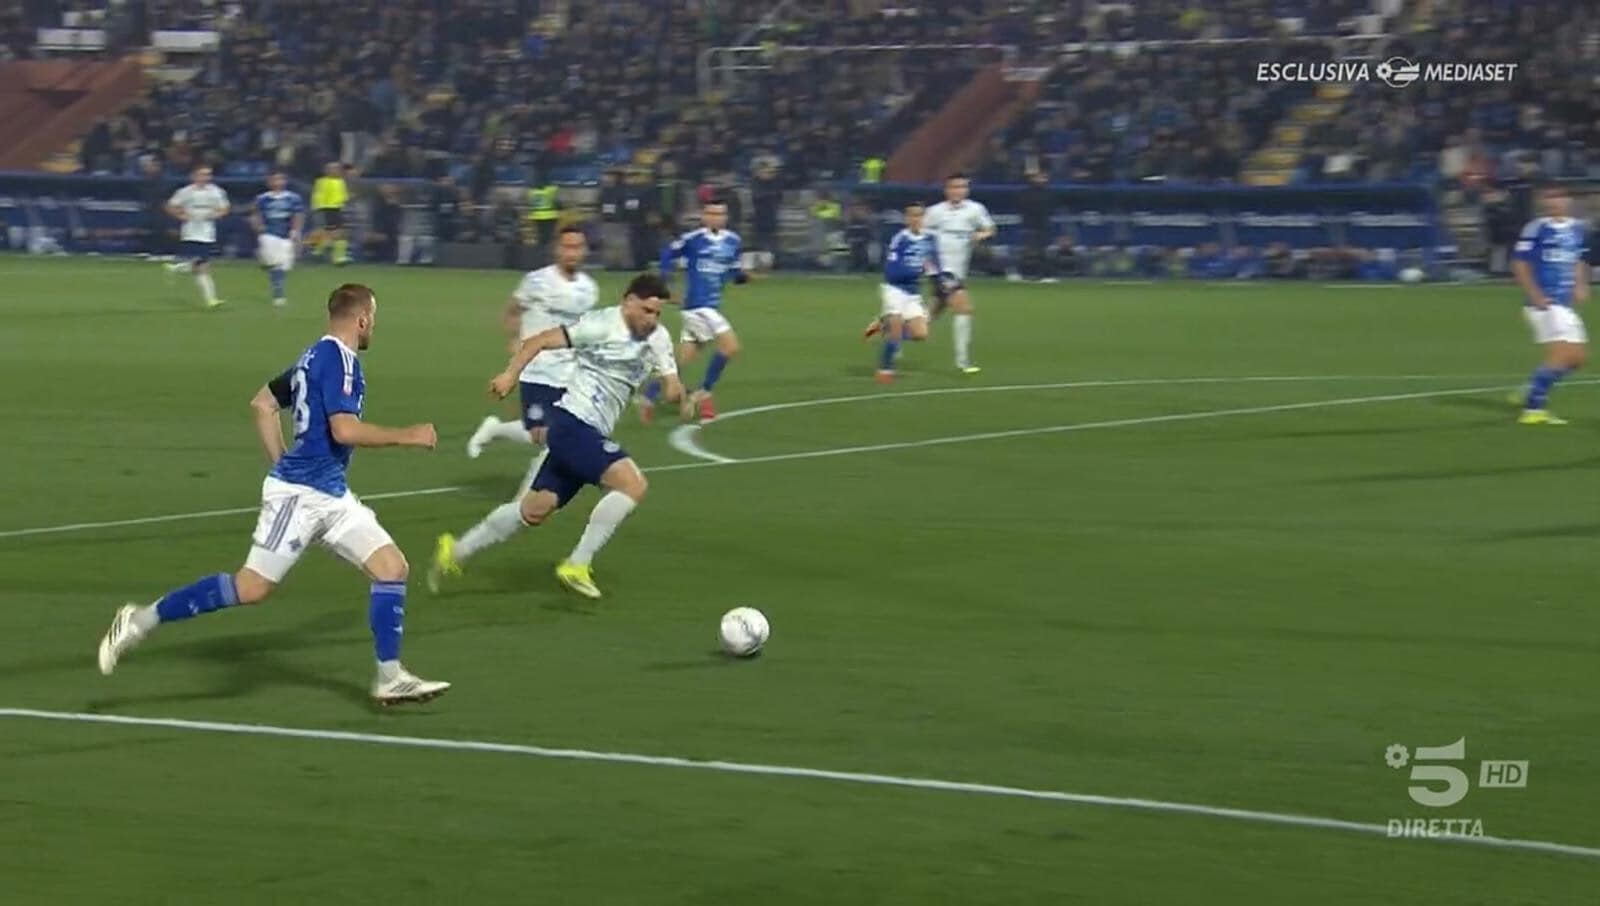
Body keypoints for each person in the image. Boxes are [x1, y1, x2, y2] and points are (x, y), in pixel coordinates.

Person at [96, 284, 449, 705]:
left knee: (391, 567)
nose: (374, 326)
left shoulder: (312, 357)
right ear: (362, 319)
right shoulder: (340, 360)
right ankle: (139, 619)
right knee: (251, 588)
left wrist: (281, 461)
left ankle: (389, 677)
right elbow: (344, 430)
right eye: (373, 318)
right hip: (301, 497)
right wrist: (409, 435)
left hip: (330, 495)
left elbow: (263, 404)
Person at [430, 274, 682, 600]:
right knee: (632, 485)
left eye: (658, 313)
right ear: (629, 302)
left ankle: (456, 551)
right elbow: (538, 341)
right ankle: (578, 564)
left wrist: (675, 394)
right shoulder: (600, 325)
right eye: (647, 310)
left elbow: (672, 383)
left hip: (589, 431)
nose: (652, 319)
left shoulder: (658, 337)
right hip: (573, 423)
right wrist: (509, 375)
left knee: (534, 509)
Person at [466, 225, 599, 462]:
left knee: (564, 433)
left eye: (577, 247)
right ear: (557, 249)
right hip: (538, 369)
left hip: (572, 371)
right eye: (567, 247)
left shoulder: (589, 289)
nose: (572, 253)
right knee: (542, 435)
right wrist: (515, 338)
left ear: (585, 250)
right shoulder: (537, 281)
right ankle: (497, 434)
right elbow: (512, 311)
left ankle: (497, 431)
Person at [642, 199, 747, 423]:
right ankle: (703, 393)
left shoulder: (733, 241)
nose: (716, 218)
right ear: (704, 216)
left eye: (720, 214)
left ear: (726, 217)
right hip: (698, 306)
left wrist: (744, 277)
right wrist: (666, 285)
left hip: (710, 305)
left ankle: (650, 394)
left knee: (684, 357)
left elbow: (734, 272)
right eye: (712, 213)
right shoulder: (693, 239)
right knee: (730, 347)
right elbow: (667, 254)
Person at [1511, 183, 1590, 425]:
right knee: (1562, 355)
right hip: (1545, 303)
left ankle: (1532, 387)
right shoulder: (1536, 228)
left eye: (1559, 197)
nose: (1554, 202)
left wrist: (1580, 284)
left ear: (1568, 201)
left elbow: (1578, 259)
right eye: (1549, 197)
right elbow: (1519, 263)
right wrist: (1534, 294)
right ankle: (1533, 409)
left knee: (1577, 359)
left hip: (1564, 304)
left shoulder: (1578, 228)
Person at [923, 173, 995, 373]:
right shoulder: (935, 212)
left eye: (962, 187)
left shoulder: (975, 209)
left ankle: (894, 338)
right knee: (964, 309)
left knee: (929, 317)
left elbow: (990, 228)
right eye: (954, 187)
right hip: (940, 270)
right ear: (946, 190)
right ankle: (963, 362)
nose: (958, 191)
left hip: (959, 271)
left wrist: (981, 234)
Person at [872, 202, 938, 383]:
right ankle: (885, 370)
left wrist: (937, 278)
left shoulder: (930, 239)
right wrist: (915, 271)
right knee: (896, 332)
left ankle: (885, 325)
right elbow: (891, 271)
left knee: (920, 334)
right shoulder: (900, 238)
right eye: (912, 215)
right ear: (907, 218)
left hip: (913, 293)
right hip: (895, 290)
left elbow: (933, 264)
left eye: (919, 215)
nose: (916, 219)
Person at [164, 165, 230, 309]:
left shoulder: (216, 191)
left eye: (208, 174)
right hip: (190, 232)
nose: (206, 177)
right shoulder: (185, 192)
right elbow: (170, 206)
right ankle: (211, 300)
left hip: (207, 232)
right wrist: (180, 216)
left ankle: (176, 269)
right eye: (202, 174)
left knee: (199, 266)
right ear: (194, 176)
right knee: (203, 265)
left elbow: (225, 208)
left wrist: (216, 215)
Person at [251, 171, 305, 307]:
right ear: (269, 182)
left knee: (285, 265)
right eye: (274, 179)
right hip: (268, 234)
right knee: (277, 264)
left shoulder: (293, 198)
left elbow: (298, 215)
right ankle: (279, 294)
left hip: (286, 235)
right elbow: (255, 214)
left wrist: (296, 231)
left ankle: (265, 260)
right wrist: (258, 227)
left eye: (280, 179)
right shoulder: (262, 198)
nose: (278, 182)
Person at [311, 161, 350, 265]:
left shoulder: (341, 182)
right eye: (332, 168)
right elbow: (318, 196)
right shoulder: (322, 182)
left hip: (337, 210)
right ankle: (318, 251)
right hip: (326, 209)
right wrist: (318, 209)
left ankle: (338, 257)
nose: (335, 170)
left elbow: (343, 197)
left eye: (337, 168)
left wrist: (344, 202)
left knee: (339, 233)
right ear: (326, 170)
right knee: (328, 232)